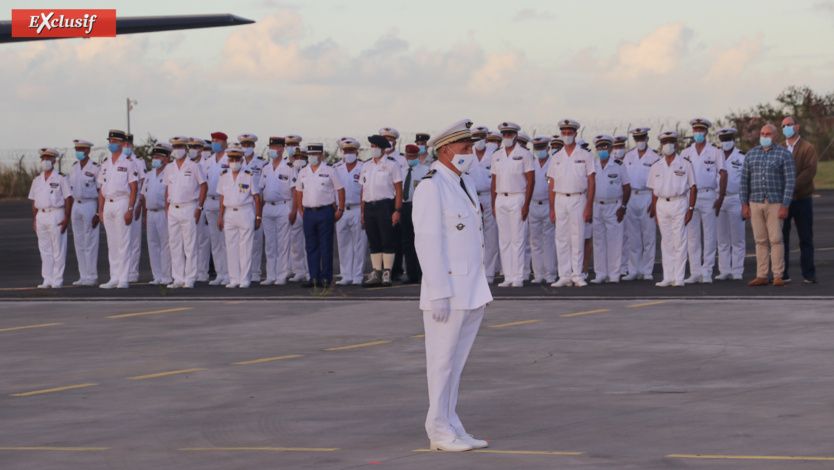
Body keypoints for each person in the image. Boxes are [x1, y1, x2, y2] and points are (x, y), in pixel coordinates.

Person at [413, 118, 492, 452]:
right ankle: (438, 432)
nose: (470, 153)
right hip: (447, 292)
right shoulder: (431, 186)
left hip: (470, 290)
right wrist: (439, 292)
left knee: (455, 366)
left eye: (471, 148)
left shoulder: (465, 184)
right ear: (445, 150)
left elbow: (473, 241)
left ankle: (452, 424)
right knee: (442, 364)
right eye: (464, 148)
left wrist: (481, 287)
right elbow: (427, 242)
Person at [741, 124, 796, 287]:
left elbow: (790, 181)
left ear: (775, 136)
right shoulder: (751, 154)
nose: (764, 136)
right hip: (755, 201)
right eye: (762, 133)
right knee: (760, 240)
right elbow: (744, 181)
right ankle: (762, 274)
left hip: (775, 202)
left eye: (768, 134)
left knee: (776, 239)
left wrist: (785, 205)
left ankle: (778, 274)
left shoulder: (784, 154)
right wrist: (744, 204)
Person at [548, 119, 595, 287]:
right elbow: (552, 183)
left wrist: (589, 205)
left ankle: (578, 274)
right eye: (564, 133)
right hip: (560, 198)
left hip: (578, 198)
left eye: (569, 133)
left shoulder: (585, 155)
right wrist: (551, 208)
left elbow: (591, 181)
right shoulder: (557, 157)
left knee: (578, 236)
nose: (566, 136)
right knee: (561, 238)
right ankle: (564, 275)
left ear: (575, 134)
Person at [680, 118, 727, 284]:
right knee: (692, 236)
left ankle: (707, 271)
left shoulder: (715, 151)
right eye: (696, 130)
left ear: (706, 132)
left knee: (709, 235)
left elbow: (723, 173)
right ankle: (695, 272)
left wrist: (720, 196)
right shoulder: (685, 153)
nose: (698, 133)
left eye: (701, 130)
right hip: (690, 196)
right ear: (692, 132)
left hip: (708, 195)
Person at [647, 131, 697, 287]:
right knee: (666, 242)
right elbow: (653, 189)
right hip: (662, 204)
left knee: (679, 241)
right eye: (664, 142)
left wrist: (691, 208)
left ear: (676, 144)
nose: (668, 145)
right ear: (661, 145)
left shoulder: (685, 163)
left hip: (679, 202)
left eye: (671, 142)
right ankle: (668, 276)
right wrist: (655, 210)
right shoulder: (656, 165)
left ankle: (679, 277)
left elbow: (693, 187)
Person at [491, 121, 535, 287]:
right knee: (504, 239)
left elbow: (531, 180)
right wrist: (494, 202)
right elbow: (494, 181)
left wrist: (526, 205)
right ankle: (508, 276)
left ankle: (517, 276)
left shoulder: (524, 154)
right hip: (501, 198)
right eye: (504, 135)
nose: (507, 137)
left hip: (518, 197)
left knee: (518, 239)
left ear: (516, 135)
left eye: (510, 134)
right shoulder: (497, 155)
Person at [297, 143, 345, 288]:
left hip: (325, 211)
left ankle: (326, 277)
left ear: (321, 155)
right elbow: (299, 192)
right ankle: (313, 277)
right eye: (310, 155)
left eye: (315, 154)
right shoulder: (303, 172)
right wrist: (301, 210)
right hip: (309, 212)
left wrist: (340, 209)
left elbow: (340, 190)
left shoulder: (330, 170)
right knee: (311, 246)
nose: (312, 157)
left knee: (325, 246)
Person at [97, 129, 139, 289]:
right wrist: (100, 210)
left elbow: (134, 188)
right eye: (110, 141)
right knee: (112, 243)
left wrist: (130, 208)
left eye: (115, 142)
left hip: (122, 201)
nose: (111, 144)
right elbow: (101, 189)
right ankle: (113, 277)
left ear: (121, 143)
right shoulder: (105, 164)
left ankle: (123, 278)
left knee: (124, 242)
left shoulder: (128, 163)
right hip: (108, 203)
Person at [165, 136, 208, 288]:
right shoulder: (169, 167)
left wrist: (199, 207)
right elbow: (167, 189)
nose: (178, 150)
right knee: (174, 244)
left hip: (189, 206)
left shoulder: (194, 166)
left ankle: (190, 277)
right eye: (175, 148)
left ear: (186, 149)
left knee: (190, 244)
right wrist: (166, 208)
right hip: (173, 208)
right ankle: (177, 277)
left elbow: (204, 186)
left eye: (180, 147)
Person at [217, 143, 262, 288]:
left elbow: (256, 197)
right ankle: (234, 278)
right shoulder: (224, 176)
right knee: (231, 247)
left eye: (237, 159)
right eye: (231, 159)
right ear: (228, 160)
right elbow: (222, 198)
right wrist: (220, 217)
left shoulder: (249, 175)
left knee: (246, 247)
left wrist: (258, 217)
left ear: (242, 160)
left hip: (245, 211)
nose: (234, 162)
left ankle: (245, 279)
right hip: (229, 213)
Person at [360, 135, 403, 287]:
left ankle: (387, 271)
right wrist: (363, 211)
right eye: (371, 146)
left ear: (383, 148)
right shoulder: (366, 165)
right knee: (374, 241)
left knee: (387, 239)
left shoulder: (392, 165)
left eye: (375, 146)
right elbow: (363, 189)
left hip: (385, 205)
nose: (373, 149)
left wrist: (397, 210)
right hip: (369, 206)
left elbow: (399, 190)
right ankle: (377, 271)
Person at [781, 116, 818, 283]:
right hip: (783, 202)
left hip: (802, 199)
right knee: (781, 238)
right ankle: (782, 273)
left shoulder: (807, 148)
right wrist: (785, 192)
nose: (787, 128)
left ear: (797, 126)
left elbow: (809, 172)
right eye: (784, 126)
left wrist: (792, 188)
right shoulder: (779, 148)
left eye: (789, 125)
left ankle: (808, 274)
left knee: (805, 238)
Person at [590, 135, 631, 284]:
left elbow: (627, 187)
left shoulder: (619, 165)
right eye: (599, 148)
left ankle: (614, 274)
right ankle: (600, 274)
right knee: (599, 242)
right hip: (596, 206)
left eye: (605, 147)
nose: (602, 150)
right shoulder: (592, 165)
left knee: (615, 241)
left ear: (611, 148)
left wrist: (623, 207)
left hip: (614, 206)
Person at [622, 127, 661, 281]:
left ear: (647, 138)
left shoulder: (654, 157)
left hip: (647, 195)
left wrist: (654, 202)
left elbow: (658, 180)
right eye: (637, 139)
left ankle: (647, 270)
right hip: (632, 196)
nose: (640, 141)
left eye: (642, 138)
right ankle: (634, 270)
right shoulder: (628, 156)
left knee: (649, 236)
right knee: (633, 236)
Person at [29, 147, 72, 289]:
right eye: (43, 158)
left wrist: (67, 217)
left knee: (58, 248)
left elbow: (68, 198)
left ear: (54, 160)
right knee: (44, 248)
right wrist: (35, 218)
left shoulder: (61, 177)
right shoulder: (37, 179)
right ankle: (47, 278)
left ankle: (57, 279)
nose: (45, 161)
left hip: (56, 213)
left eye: (48, 158)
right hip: (41, 215)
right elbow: (34, 201)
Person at [259, 136, 296, 285]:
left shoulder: (289, 167)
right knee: (270, 244)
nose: (272, 150)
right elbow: (262, 190)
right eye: (271, 148)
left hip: (283, 206)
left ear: (282, 150)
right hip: (268, 207)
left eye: (275, 148)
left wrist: (293, 210)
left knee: (282, 243)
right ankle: (270, 275)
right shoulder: (266, 168)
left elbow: (295, 191)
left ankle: (281, 275)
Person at [334, 138, 367, 285]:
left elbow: (365, 190)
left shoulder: (363, 167)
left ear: (356, 152)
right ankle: (346, 274)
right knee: (343, 244)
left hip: (357, 208)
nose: (348, 153)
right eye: (346, 151)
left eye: (351, 151)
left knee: (359, 244)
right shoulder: (336, 168)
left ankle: (358, 275)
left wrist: (363, 212)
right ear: (342, 152)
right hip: (341, 210)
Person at [715, 128, 746, 281]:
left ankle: (738, 269)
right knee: (722, 237)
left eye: (728, 139)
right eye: (723, 140)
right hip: (718, 199)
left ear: (734, 140)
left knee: (737, 237)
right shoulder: (715, 155)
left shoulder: (741, 157)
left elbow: (746, 180)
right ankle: (724, 269)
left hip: (735, 198)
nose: (725, 143)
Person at [68, 138, 100, 286]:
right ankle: (83, 275)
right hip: (77, 204)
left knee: (90, 241)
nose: (78, 152)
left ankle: (92, 276)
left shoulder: (95, 167)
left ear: (88, 151)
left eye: (81, 150)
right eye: (77, 150)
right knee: (79, 242)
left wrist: (99, 212)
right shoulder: (74, 167)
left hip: (90, 204)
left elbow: (101, 191)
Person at [470, 126, 500, 283]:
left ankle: (489, 272)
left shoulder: (493, 155)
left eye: (482, 137)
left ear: (486, 138)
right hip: (472, 198)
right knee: (474, 236)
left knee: (491, 236)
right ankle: (476, 271)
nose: (479, 140)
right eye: (476, 137)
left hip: (489, 197)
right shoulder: (468, 155)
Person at [142, 143, 173, 286]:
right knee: (153, 244)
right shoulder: (149, 175)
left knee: (166, 245)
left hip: (163, 212)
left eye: (158, 156)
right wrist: (143, 214)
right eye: (154, 156)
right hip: (150, 213)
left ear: (167, 158)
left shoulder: (170, 173)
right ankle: (157, 275)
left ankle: (167, 275)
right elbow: (144, 195)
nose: (155, 158)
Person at [528, 136, 557, 284]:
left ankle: (550, 272)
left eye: (542, 148)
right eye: (537, 148)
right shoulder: (531, 164)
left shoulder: (554, 163)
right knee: (535, 241)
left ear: (548, 149)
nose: (539, 151)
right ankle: (538, 273)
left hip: (548, 204)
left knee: (549, 241)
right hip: (533, 205)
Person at [203, 131, 230, 286]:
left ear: (225, 143)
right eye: (213, 140)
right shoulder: (209, 161)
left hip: (224, 201)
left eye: (218, 140)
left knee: (226, 240)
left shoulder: (230, 159)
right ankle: (220, 273)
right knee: (215, 240)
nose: (215, 143)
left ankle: (228, 273)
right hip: (210, 201)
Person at [380, 127, 406, 281]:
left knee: (397, 238)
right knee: (382, 238)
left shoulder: (401, 159)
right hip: (383, 203)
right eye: (385, 140)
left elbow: (401, 185)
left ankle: (396, 270)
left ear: (395, 142)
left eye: (391, 139)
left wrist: (399, 208)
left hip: (397, 202)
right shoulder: (376, 160)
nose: (388, 142)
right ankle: (384, 269)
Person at [400, 144, 429, 284]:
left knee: (422, 241)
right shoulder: (401, 171)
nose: (411, 159)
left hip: (420, 207)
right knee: (407, 242)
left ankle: (423, 273)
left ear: (418, 156)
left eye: (413, 156)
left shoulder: (425, 171)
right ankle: (411, 274)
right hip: (405, 207)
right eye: (409, 156)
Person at [240, 133, 266, 282]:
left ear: (254, 146)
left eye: (249, 145)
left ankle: (256, 272)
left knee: (255, 242)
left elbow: (262, 188)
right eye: (243, 145)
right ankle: (242, 273)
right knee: (241, 243)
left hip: (255, 205)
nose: (246, 147)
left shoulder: (261, 163)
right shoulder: (237, 162)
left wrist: (259, 213)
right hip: (241, 205)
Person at [286, 135, 310, 283]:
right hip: (294, 208)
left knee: (309, 242)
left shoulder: (309, 170)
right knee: (295, 243)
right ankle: (298, 271)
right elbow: (293, 191)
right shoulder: (290, 169)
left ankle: (309, 271)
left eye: (301, 156)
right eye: (296, 156)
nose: (298, 159)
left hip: (308, 208)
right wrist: (294, 209)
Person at [188, 137, 211, 282]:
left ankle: (203, 271)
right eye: (190, 147)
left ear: (201, 149)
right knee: (190, 241)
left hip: (203, 203)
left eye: (195, 147)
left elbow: (206, 186)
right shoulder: (188, 165)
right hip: (190, 204)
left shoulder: (206, 164)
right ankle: (192, 271)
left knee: (203, 240)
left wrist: (202, 206)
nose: (192, 150)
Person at [123, 133, 145, 283]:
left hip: (135, 201)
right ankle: (122, 271)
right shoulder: (116, 161)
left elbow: (143, 183)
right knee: (122, 240)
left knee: (135, 239)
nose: (125, 147)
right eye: (123, 144)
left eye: (128, 144)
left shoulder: (138, 161)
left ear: (132, 145)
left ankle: (133, 271)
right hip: (121, 201)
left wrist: (139, 204)